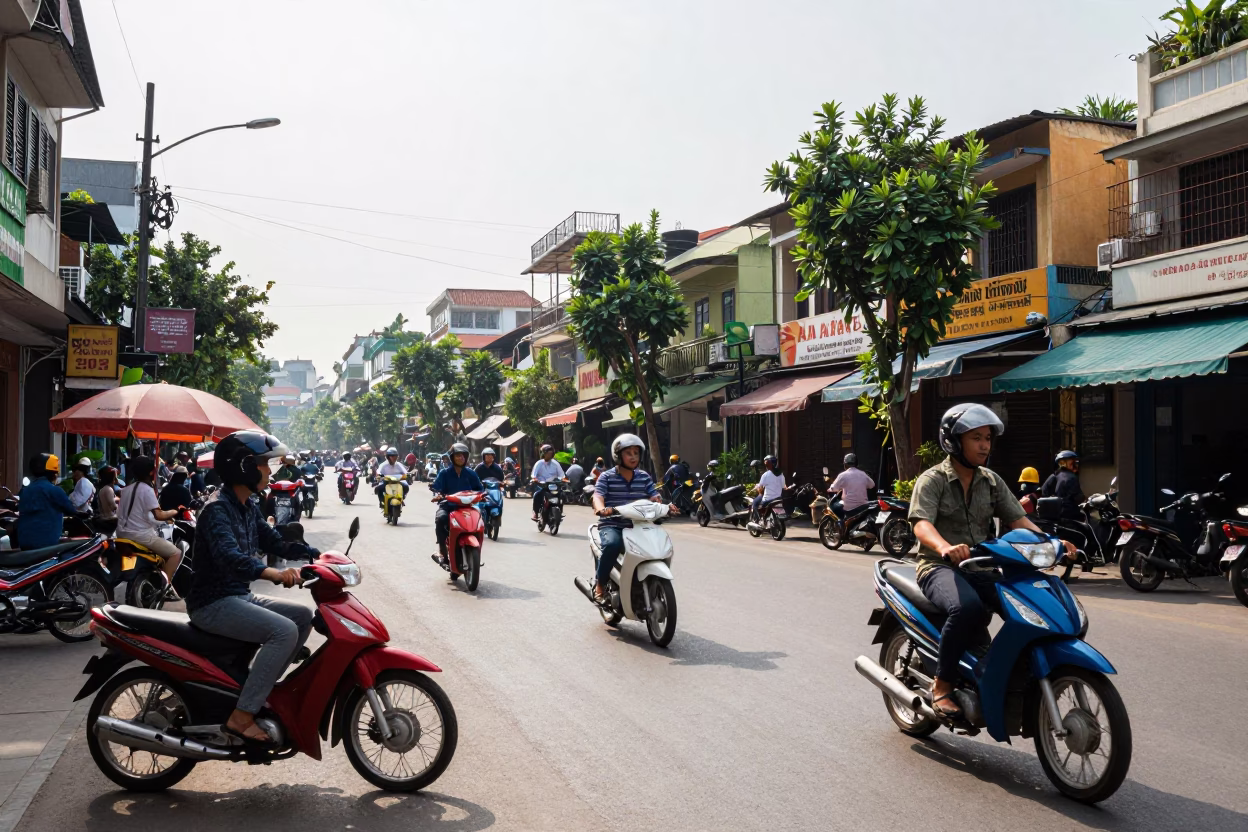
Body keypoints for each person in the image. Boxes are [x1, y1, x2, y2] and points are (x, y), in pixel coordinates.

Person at [909, 404, 1076, 719]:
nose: (985, 445)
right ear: (954, 440)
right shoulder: (932, 480)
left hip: (982, 566)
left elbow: (1018, 520)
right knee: (967, 608)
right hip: (938, 567)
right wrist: (945, 546)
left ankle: (1002, 671)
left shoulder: (991, 481)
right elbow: (921, 523)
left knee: (1030, 603)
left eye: (987, 438)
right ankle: (942, 686)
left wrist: (1051, 543)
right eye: (976, 438)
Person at [187, 430, 318, 745]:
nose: (269, 471)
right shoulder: (217, 508)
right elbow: (230, 558)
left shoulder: (246, 506)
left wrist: (315, 555)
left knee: (301, 617)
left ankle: (261, 691)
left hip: (237, 597)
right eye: (263, 464)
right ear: (243, 466)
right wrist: (272, 573)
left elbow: (275, 541)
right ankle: (242, 716)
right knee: (284, 632)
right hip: (213, 602)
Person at [591, 434, 673, 601]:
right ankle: (600, 585)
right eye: (629, 453)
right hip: (613, 524)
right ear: (618, 455)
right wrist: (601, 509)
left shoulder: (643, 477)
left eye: (636, 452)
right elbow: (598, 496)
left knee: (658, 545)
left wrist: (661, 504)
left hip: (639, 525)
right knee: (613, 545)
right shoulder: (607, 477)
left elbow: (653, 495)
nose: (633, 456)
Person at [116, 456, 184, 590]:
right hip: (140, 536)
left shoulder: (126, 489)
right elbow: (159, 515)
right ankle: (165, 587)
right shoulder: (146, 490)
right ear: (151, 472)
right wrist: (176, 511)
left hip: (121, 534)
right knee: (176, 553)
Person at [431, 443, 482, 561]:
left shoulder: (471, 473)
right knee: (441, 518)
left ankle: (476, 546)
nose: (461, 458)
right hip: (448, 505)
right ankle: (442, 550)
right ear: (452, 457)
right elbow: (437, 487)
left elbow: (479, 489)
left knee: (480, 517)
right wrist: (438, 495)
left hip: (468, 506)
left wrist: (482, 495)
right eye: (458, 455)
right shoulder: (444, 473)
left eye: (463, 455)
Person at [13, 454, 77, 550]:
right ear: (53, 474)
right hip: (46, 544)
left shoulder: (25, 490)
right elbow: (71, 509)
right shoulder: (54, 490)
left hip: (24, 542)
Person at [828, 453, 875, 519]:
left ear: (845, 464)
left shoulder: (843, 475)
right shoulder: (863, 474)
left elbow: (834, 488)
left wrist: (831, 488)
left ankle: (842, 524)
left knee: (836, 507)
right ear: (856, 464)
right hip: (864, 507)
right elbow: (872, 485)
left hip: (850, 508)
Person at [1041, 450, 1084, 520]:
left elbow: (1044, 492)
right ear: (1064, 463)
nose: (1075, 464)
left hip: (1055, 514)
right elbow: (1078, 497)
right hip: (1069, 515)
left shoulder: (1055, 476)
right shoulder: (1071, 477)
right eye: (1072, 461)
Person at [530, 444, 565, 521]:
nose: (549, 455)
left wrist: (564, 480)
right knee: (537, 495)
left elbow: (562, 475)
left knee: (561, 494)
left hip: (553, 485)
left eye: (551, 453)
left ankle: (560, 512)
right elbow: (533, 475)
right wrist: (535, 480)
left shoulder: (555, 464)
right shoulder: (539, 463)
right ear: (543, 454)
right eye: (548, 453)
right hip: (542, 485)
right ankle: (535, 513)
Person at [94, 466, 120, 536]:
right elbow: (113, 506)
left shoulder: (103, 489)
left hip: (104, 519)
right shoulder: (109, 489)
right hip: (110, 520)